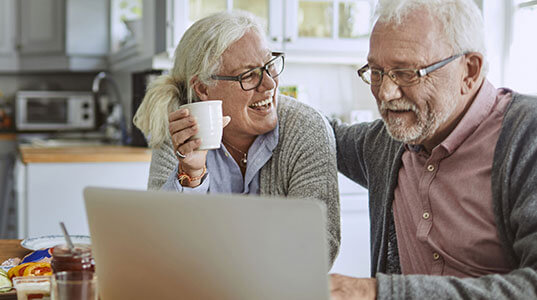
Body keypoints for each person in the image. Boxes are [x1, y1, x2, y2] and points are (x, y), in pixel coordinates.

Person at [328, 0, 537, 299]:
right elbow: (324, 133)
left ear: (470, 71)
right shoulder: (386, 143)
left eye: (407, 73)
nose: (386, 92)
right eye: (376, 72)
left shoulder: (528, 137)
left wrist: (381, 292)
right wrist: (261, 93)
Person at [133, 11, 341, 265]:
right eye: (248, 75)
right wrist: (191, 174)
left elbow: (319, 247)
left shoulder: (306, 129)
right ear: (203, 89)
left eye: (269, 66)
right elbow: (159, 247)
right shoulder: (180, 131)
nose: (269, 85)